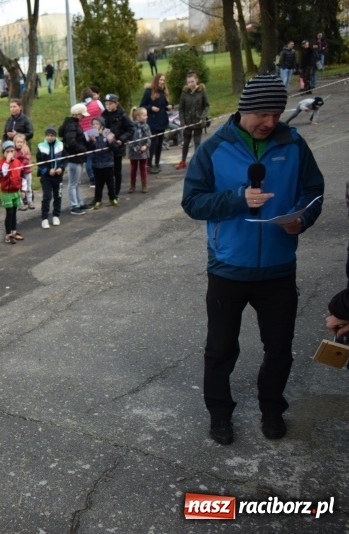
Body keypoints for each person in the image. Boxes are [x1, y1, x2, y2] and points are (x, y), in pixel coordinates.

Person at [181, 74, 324, 445]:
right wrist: (236, 199)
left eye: (276, 114)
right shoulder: (214, 149)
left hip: (278, 270)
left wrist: (303, 218)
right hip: (228, 269)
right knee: (220, 349)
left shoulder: (293, 144)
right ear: (244, 110)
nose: (270, 122)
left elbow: (314, 190)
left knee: (279, 349)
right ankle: (219, 414)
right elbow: (193, 202)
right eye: (263, 113)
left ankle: (272, 409)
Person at [100, 93, 134, 199]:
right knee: (107, 171)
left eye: (110, 104)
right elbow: (100, 128)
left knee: (117, 171)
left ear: (116, 103)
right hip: (106, 146)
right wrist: (107, 134)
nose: (108, 106)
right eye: (106, 104)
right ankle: (110, 191)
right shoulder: (103, 115)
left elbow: (131, 129)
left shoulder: (122, 116)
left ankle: (116, 192)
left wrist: (121, 139)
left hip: (118, 146)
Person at [61, 103, 91, 214]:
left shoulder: (74, 124)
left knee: (77, 182)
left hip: (78, 157)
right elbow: (70, 142)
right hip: (74, 158)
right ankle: (74, 205)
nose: (84, 117)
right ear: (77, 114)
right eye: (82, 115)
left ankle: (80, 202)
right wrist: (82, 148)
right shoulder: (71, 126)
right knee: (73, 183)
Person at [176, 73, 210, 170]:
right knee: (186, 142)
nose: (190, 84)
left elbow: (206, 105)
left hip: (198, 122)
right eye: (188, 82)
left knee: (197, 142)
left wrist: (202, 118)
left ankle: (196, 161)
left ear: (196, 80)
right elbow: (181, 109)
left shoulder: (202, 91)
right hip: (187, 122)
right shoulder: (184, 93)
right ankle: (183, 161)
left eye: (192, 81)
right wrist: (183, 122)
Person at [140, 74, 171, 174]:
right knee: (153, 143)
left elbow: (164, 105)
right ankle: (149, 164)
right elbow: (142, 106)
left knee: (160, 144)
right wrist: (151, 108)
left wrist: (169, 106)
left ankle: (157, 163)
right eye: (160, 80)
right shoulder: (149, 91)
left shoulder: (163, 92)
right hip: (152, 122)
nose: (162, 82)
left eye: (163, 80)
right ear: (156, 80)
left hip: (162, 121)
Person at [36, 127, 66, 229]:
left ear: (55, 136)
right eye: (48, 135)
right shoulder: (41, 147)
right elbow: (39, 163)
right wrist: (48, 171)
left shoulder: (61, 145)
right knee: (47, 197)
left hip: (58, 176)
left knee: (58, 196)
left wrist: (61, 168)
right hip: (46, 177)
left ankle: (56, 216)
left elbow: (64, 160)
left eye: (52, 135)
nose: (49, 137)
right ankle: (44, 218)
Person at [86, 117, 118, 209]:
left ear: (102, 124)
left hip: (107, 163)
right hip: (96, 164)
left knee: (110, 183)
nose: (95, 126)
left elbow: (115, 148)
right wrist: (91, 141)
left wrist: (111, 142)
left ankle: (112, 198)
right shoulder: (92, 134)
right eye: (93, 124)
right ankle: (98, 200)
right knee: (98, 184)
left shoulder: (107, 132)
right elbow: (90, 149)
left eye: (97, 124)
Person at [0, 140, 23, 243]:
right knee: (10, 213)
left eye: (12, 151)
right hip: (7, 192)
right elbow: (3, 173)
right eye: (7, 151)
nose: (10, 154)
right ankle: (8, 235)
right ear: (3, 152)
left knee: (15, 212)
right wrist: (7, 161)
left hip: (16, 190)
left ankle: (14, 231)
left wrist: (23, 189)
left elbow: (21, 175)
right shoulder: (1, 163)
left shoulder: (17, 162)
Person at [80, 87, 104, 186]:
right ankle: (100, 175)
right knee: (99, 153)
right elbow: (103, 112)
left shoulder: (80, 106)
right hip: (97, 130)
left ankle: (91, 177)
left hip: (85, 133)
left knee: (89, 157)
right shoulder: (97, 103)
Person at [128, 107, 151, 194]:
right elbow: (130, 139)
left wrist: (146, 146)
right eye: (144, 115)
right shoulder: (131, 127)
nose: (146, 117)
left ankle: (144, 185)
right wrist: (136, 148)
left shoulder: (146, 126)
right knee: (133, 168)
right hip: (133, 151)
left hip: (144, 151)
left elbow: (149, 138)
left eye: (146, 115)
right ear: (138, 117)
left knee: (143, 168)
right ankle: (132, 185)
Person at [13, 134, 33, 210]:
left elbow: (26, 159)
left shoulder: (25, 150)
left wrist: (20, 165)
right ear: (14, 142)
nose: (19, 144)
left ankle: (29, 201)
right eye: (17, 142)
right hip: (18, 173)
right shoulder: (13, 152)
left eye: (21, 142)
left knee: (28, 187)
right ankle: (20, 203)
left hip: (26, 171)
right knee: (19, 188)